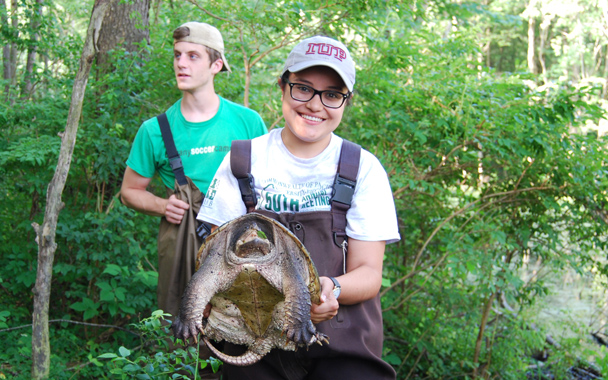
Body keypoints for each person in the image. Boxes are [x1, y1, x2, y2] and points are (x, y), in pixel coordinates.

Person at [197, 35, 400, 379]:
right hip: (254, 332)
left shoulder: (362, 168)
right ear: (283, 85)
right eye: (303, 88)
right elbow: (213, 260)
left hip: (341, 340)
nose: (315, 105)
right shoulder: (244, 161)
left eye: (332, 95)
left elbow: (369, 272)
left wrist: (330, 288)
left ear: (346, 102)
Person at [120, 21, 267, 319]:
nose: (181, 64)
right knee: (184, 326)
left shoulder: (248, 122)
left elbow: (269, 186)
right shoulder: (155, 130)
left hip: (240, 242)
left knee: (247, 324)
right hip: (184, 242)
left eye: (192, 56)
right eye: (177, 55)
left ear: (216, 65)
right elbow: (129, 191)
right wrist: (162, 205)